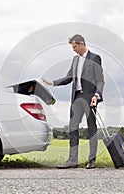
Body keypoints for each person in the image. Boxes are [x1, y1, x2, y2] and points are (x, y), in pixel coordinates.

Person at [42, 34, 104, 169]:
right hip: (76, 97)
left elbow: (100, 79)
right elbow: (69, 77)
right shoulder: (75, 60)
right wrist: (52, 83)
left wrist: (96, 95)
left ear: (81, 44)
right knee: (73, 127)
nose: (73, 49)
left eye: (75, 46)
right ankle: (72, 160)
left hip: (89, 98)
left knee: (91, 128)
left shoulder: (95, 58)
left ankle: (92, 160)